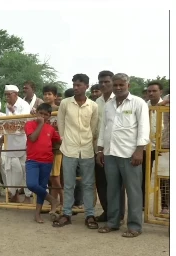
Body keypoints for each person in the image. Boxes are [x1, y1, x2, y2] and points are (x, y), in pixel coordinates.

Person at [96, 73, 149, 238]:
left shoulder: (138, 103)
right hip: (110, 152)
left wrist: (139, 150)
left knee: (133, 191)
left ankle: (134, 226)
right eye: (116, 85)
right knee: (112, 190)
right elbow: (103, 128)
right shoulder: (109, 105)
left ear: (128, 85)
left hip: (130, 154)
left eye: (121, 85)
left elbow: (143, 128)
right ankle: (113, 222)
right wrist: (100, 150)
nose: (118, 88)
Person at [53, 73, 100, 229]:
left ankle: (89, 215)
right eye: (74, 84)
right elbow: (60, 123)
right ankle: (66, 213)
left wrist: (89, 142)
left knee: (88, 184)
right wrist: (65, 140)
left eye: (79, 85)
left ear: (86, 86)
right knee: (68, 184)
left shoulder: (93, 106)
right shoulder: (66, 103)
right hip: (69, 148)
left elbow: (93, 128)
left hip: (87, 149)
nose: (75, 87)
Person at [24, 103, 61, 224]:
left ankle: (37, 214)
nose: (43, 116)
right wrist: (40, 124)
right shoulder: (29, 125)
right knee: (32, 184)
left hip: (47, 161)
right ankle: (52, 200)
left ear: (49, 116)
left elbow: (58, 141)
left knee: (42, 185)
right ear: (36, 113)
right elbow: (33, 138)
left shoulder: (50, 129)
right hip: (32, 161)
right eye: (41, 113)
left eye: (46, 115)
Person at [93, 70, 120, 221]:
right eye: (101, 82)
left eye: (107, 82)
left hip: (116, 148)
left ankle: (118, 215)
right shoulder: (97, 102)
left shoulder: (119, 100)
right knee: (101, 182)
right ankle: (107, 212)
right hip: (99, 148)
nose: (103, 84)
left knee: (116, 184)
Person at [3, 84, 33, 202]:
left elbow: (23, 122)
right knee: (10, 169)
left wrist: (13, 112)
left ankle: (27, 195)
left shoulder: (23, 105)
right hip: (10, 141)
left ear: (16, 94)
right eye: (5, 95)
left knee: (25, 169)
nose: (7, 97)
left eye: (9, 94)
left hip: (22, 141)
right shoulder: (8, 105)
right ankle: (13, 193)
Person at [143, 81, 167, 207]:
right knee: (142, 177)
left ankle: (165, 206)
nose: (151, 93)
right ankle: (142, 203)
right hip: (145, 147)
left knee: (163, 178)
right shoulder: (142, 106)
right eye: (149, 91)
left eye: (154, 91)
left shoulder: (167, 106)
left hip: (161, 147)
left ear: (160, 92)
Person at [42, 85, 64, 213]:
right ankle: (54, 205)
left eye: (49, 94)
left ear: (55, 96)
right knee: (51, 178)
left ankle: (63, 202)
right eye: (45, 94)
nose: (47, 96)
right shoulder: (42, 110)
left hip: (57, 148)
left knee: (56, 177)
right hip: (46, 148)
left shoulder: (60, 109)